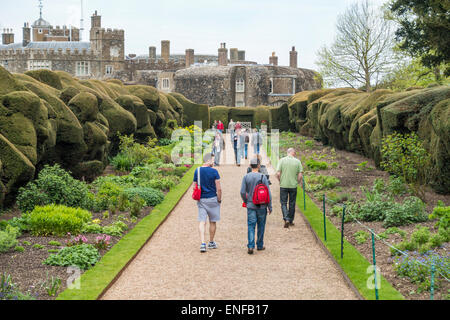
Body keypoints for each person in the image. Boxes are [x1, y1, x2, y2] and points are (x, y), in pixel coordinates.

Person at [240, 157, 272, 254]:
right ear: (259, 166)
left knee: (251, 225)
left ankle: (250, 245)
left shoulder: (246, 177)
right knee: (261, 225)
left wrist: (246, 201)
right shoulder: (263, 177)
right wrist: (270, 206)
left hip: (251, 205)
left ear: (250, 166)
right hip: (262, 205)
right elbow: (268, 193)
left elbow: (242, 192)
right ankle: (260, 245)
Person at [193, 153, 222, 252]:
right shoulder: (214, 172)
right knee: (212, 221)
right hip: (213, 199)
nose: (213, 162)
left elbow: (194, 186)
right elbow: (219, 188)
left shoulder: (198, 170)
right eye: (212, 160)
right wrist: (219, 199)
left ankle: (202, 243)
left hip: (202, 199)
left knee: (202, 221)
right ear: (208, 160)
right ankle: (211, 242)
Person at [276, 148, 303, 228]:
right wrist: (297, 182)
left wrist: (280, 181)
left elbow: (278, 173)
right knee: (292, 203)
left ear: (287, 153)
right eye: (294, 153)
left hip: (283, 185)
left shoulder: (282, 160)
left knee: (283, 202)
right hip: (293, 186)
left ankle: (286, 218)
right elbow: (300, 175)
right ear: (292, 153)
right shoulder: (297, 161)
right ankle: (290, 220)